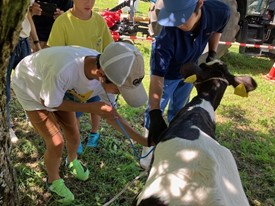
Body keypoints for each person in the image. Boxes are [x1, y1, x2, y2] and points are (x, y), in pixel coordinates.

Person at [11, 42, 148, 204]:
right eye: (119, 90)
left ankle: (72, 160)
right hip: (31, 88)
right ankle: (53, 180)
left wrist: (145, 141)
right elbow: (47, 102)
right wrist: (90, 107)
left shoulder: (107, 67)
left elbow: (112, 116)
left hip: (57, 91)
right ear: (101, 75)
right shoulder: (64, 70)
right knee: (56, 142)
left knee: (74, 134)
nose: (120, 94)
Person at [140, 0, 231, 170]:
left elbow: (217, 29)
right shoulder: (166, 37)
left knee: (179, 109)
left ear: (200, 5)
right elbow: (157, 77)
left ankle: (173, 144)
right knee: (156, 109)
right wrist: (154, 113)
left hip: (190, 71)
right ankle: (147, 150)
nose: (178, 24)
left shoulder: (220, 11)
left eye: (182, 18)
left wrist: (212, 53)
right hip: (168, 75)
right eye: (174, 19)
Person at [47, 0, 114, 154]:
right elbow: (54, 53)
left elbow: (109, 47)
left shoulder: (99, 21)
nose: (88, 2)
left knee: (95, 105)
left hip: (95, 77)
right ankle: (75, 140)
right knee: (74, 111)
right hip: (71, 79)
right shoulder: (63, 21)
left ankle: (94, 133)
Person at [6, 0, 41, 143]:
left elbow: (27, 15)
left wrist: (36, 43)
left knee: (28, 83)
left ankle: (31, 118)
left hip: (24, 42)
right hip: (7, 43)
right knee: (5, 87)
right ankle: (7, 127)